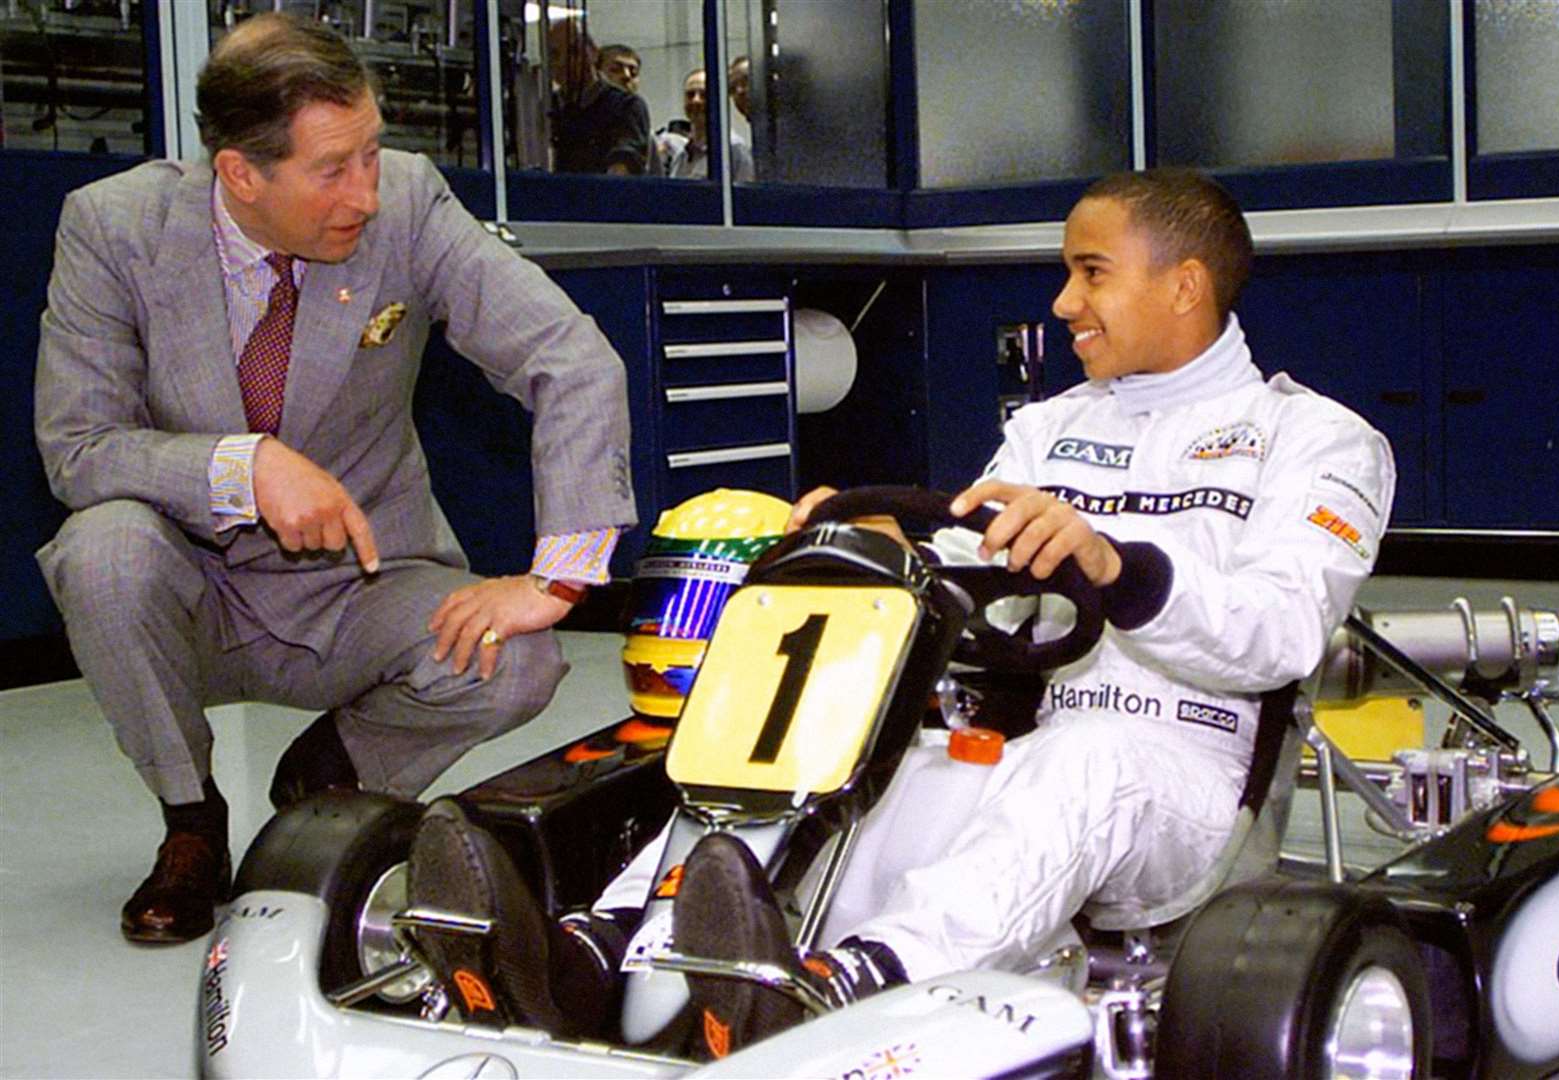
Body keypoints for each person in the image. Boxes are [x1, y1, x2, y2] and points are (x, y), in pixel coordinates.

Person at [404, 168, 1395, 1055]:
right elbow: (965, 564)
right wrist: (880, 543)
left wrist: (1114, 565)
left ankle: (841, 990)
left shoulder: (1315, 440)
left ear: (1184, 284)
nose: (1063, 301)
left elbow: (1283, 631)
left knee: (1086, 763)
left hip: (1187, 793)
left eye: (1091, 272)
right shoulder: (1050, 428)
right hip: (1015, 758)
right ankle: (591, 955)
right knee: (824, 729)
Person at [33, 12, 637, 946]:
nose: (364, 191)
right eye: (331, 169)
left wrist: (559, 574)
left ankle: (331, 779)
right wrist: (245, 466)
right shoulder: (113, 228)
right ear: (240, 172)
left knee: (515, 658)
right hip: (188, 588)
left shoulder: (410, 202)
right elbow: (78, 446)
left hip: (361, 584)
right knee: (101, 550)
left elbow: (571, 358)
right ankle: (192, 823)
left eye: (370, 151)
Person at [548, 17, 652, 175]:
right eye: (555, 55)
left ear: (594, 53)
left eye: (573, 51)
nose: (563, 62)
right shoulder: (548, 107)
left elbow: (624, 162)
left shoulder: (626, 106)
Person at [655, 67, 753, 181]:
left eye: (704, 95)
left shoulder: (734, 150)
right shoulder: (681, 156)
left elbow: (746, 197)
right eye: (690, 95)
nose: (696, 100)